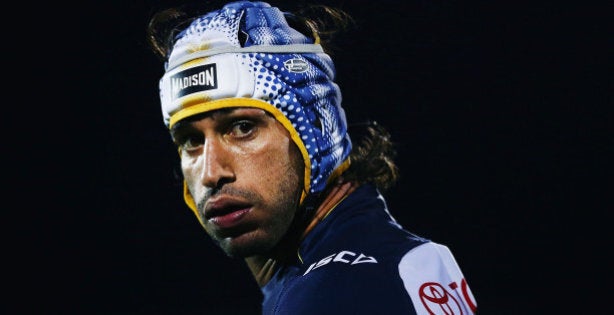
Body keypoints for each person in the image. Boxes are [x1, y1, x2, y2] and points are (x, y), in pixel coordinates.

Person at [146, 1, 477, 313]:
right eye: (190, 140)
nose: (211, 172)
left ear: (315, 130)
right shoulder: (385, 258)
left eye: (243, 127)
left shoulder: (336, 293)